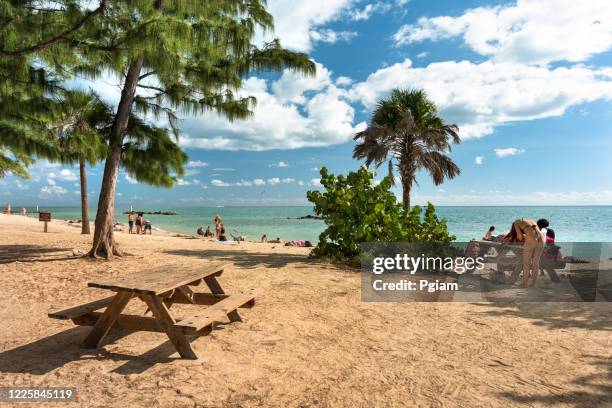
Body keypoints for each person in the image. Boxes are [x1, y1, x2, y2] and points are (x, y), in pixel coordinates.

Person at [511, 219, 545, 288]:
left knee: (526, 263)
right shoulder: (532, 221)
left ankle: (525, 284)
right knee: (536, 263)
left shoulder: (516, 223)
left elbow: (520, 237)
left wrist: (522, 237)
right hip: (541, 238)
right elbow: (535, 231)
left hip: (531, 238)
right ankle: (534, 284)